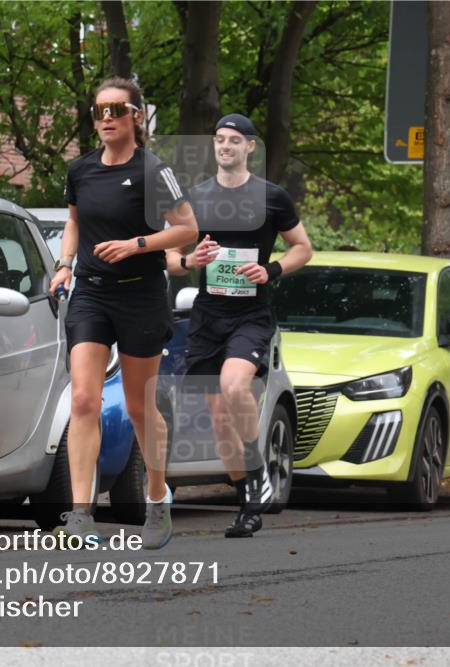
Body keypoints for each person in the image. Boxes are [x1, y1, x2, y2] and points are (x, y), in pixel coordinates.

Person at [49, 77, 198, 548]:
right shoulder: (81, 170)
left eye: (116, 109)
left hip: (141, 294)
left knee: (137, 406)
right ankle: (80, 514)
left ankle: (157, 499)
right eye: (99, 111)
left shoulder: (154, 170)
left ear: (136, 115)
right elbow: (74, 222)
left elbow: (187, 229)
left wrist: (137, 245)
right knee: (83, 401)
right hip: (91, 292)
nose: (107, 118)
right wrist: (64, 264)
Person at [167, 114, 312, 537]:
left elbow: (303, 248)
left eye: (233, 140)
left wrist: (272, 270)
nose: (225, 146)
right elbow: (170, 256)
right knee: (218, 419)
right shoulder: (195, 199)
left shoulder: (273, 198)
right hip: (208, 315)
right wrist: (190, 260)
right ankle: (249, 495)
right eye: (218, 140)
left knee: (235, 387)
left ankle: (258, 472)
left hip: (251, 315)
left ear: (250, 147)